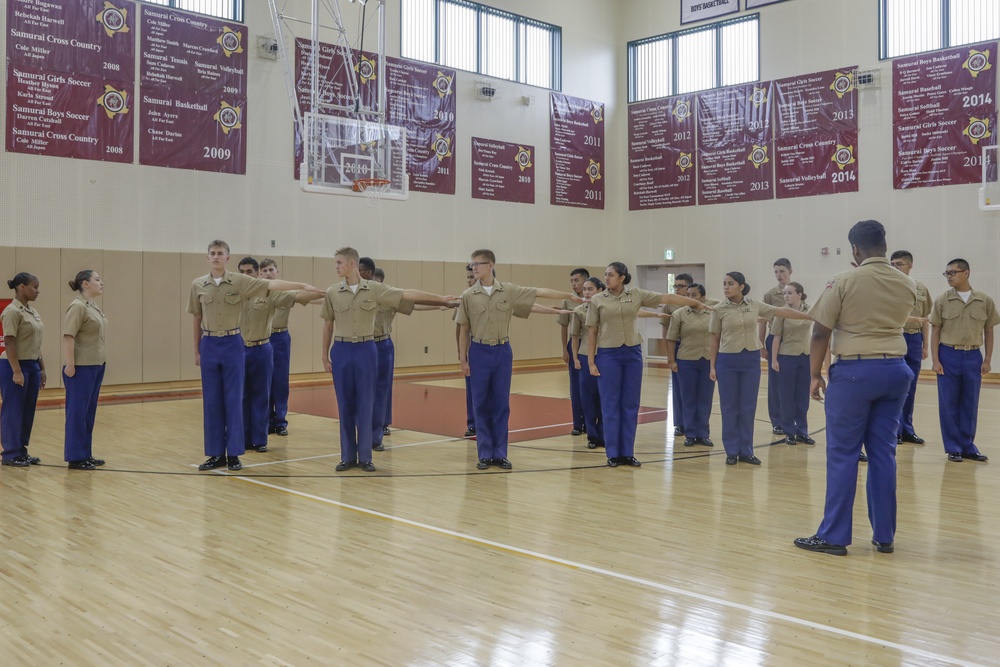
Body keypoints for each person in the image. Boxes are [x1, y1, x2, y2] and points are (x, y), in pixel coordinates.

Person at [794, 219, 917, 556]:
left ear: (855, 249)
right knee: (883, 454)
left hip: (854, 373)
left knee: (843, 454)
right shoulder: (908, 284)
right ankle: (884, 535)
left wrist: (815, 374)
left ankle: (834, 536)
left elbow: (820, 331)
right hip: (895, 370)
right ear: (885, 245)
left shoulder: (844, 281)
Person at [188, 240, 322, 472]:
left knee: (234, 400)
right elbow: (196, 318)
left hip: (232, 343)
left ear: (227, 258)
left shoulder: (240, 281)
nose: (216, 257)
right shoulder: (198, 284)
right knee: (212, 402)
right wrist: (197, 349)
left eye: (220, 253)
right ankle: (216, 454)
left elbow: (271, 285)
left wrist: (301, 284)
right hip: (209, 342)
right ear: (207, 257)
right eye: (212, 253)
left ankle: (235, 454)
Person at [321, 247, 454, 472]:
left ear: (352, 263)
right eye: (335, 263)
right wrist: (324, 355)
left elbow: (408, 294)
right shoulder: (332, 292)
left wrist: (440, 299)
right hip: (341, 349)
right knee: (344, 404)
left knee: (366, 403)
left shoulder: (375, 290)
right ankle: (347, 456)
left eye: (339, 262)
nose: (336, 267)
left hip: (366, 348)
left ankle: (365, 457)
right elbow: (328, 325)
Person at [458, 249, 580, 470]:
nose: (474, 268)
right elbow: (464, 328)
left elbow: (538, 291)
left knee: (501, 403)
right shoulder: (468, 296)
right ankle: (485, 454)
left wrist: (568, 296)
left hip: (502, 350)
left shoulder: (508, 290)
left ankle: (500, 453)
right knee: (481, 404)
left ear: (491, 265)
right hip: (478, 351)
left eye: (478, 263)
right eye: (472, 264)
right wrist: (463, 359)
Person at [587, 262, 706, 468]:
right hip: (608, 354)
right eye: (605, 274)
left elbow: (666, 298)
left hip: (632, 352)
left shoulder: (636, 294)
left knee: (631, 403)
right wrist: (591, 361)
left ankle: (627, 452)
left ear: (622, 277)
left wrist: (695, 303)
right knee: (610, 404)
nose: (606, 278)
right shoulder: (597, 300)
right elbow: (592, 332)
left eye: (611, 275)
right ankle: (613, 453)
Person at [709, 272, 812, 466]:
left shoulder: (755, 305)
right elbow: (714, 339)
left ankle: (746, 450)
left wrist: (811, 316)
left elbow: (781, 312)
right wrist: (712, 366)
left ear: (741, 286)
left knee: (748, 407)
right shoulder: (718, 309)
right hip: (727, 360)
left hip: (750, 360)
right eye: (724, 284)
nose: (726, 287)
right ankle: (731, 450)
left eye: (730, 284)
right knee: (729, 407)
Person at [238, 257, 322, 453]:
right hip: (241, 347)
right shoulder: (234, 293)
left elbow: (300, 297)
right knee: (243, 394)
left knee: (276, 384)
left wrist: (330, 295)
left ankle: (274, 425)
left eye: (250, 272)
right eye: (242, 272)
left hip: (271, 340)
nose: (246, 276)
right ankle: (245, 435)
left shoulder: (273, 294)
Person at [929, 259, 999, 463]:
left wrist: (987, 359)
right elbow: (935, 330)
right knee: (948, 403)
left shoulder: (984, 300)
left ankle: (968, 446)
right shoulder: (942, 300)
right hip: (948, 354)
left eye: (953, 272)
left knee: (970, 402)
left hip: (972, 356)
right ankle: (953, 447)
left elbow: (989, 330)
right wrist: (935, 359)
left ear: (966, 273)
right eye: (947, 273)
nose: (949, 277)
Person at [370, 267, 420, 452]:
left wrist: (441, 304)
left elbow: (414, 304)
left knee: (384, 387)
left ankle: (382, 423)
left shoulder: (389, 298)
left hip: (383, 343)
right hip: (365, 344)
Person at [62, 270, 108, 470]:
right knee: (77, 413)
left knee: (88, 413)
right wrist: (70, 365)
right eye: (97, 280)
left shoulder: (92, 306)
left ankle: (85, 453)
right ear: (85, 284)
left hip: (95, 365)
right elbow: (68, 336)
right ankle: (75, 457)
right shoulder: (78, 306)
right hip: (80, 367)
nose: (101, 282)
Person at [1, 273, 46, 467]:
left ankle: (22, 450)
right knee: (13, 410)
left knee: (27, 411)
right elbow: (9, 341)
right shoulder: (12, 311)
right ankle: (10, 453)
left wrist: (42, 369)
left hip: (32, 365)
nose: (37, 291)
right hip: (14, 365)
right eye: (34, 287)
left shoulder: (32, 312)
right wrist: (16, 371)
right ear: (21, 287)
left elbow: (36, 344)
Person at [890, 251, 933, 445]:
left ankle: (907, 429)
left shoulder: (920, 288)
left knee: (911, 386)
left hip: (914, 340)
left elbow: (925, 319)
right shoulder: (887, 287)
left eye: (899, 264)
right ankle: (895, 430)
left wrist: (925, 345)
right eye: (892, 264)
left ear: (910, 266)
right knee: (895, 385)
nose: (895, 267)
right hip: (895, 337)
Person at [665, 283, 716, 447]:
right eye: (687, 295)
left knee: (705, 398)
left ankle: (703, 433)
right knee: (688, 398)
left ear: (703, 297)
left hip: (707, 359)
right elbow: (671, 338)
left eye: (694, 295)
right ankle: (690, 433)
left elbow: (717, 337)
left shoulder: (711, 313)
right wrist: (671, 360)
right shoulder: (679, 314)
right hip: (686, 360)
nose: (690, 298)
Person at [771, 282, 815, 445]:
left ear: (799, 294)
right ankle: (789, 431)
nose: (786, 296)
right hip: (786, 356)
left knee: (802, 396)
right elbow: (776, 337)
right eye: (785, 293)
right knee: (787, 396)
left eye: (790, 293)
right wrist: (774, 360)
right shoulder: (781, 312)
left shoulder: (810, 308)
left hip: (805, 356)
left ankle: (802, 431)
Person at [260, 259, 294, 437]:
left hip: (280, 337)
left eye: (271, 270)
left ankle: (280, 421)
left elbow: (305, 298)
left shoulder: (285, 291)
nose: (268, 273)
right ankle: (265, 420)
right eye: (264, 270)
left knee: (280, 380)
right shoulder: (257, 293)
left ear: (277, 272)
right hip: (263, 338)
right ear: (259, 274)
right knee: (264, 381)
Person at [760, 258, 793, 435]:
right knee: (775, 383)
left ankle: (791, 418)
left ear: (790, 272)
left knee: (791, 382)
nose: (779, 275)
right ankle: (777, 421)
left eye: (782, 271)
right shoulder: (770, 295)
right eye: (776, 272)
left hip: (793, 339)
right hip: (774, 338)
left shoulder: (796, 291)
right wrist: (761, 344)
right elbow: (763, 321)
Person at [661, 273, 693, 437]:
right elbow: (666, 330)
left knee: (694, 389)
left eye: (681, 286)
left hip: (694, 346)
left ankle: (695, 424)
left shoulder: (696, 303)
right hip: (677, 345)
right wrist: (669, 354)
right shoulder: (670, 305)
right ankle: (680, 423)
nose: (678, 289)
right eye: (676, 286)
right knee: (679, 387)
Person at [558, 268, 589, 436]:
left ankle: (592, 422)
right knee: (576, 386)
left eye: (577, 280)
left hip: (592, 343)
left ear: (586, 281)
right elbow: (564, 326)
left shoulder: (596, 299)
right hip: (575, 344)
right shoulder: (568, 301)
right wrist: (565, 348)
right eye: (572, 281)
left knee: (590, 386)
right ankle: (578, 423)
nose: (574, 284)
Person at [456, 264, 477, 438]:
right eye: (468, 277)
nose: (471, 280)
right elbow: (460, 328)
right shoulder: (465, 297)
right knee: (471, 389)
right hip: (471, 350)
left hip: (486, 347)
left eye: (473, 276)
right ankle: (472, 423)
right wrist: (461, 353)